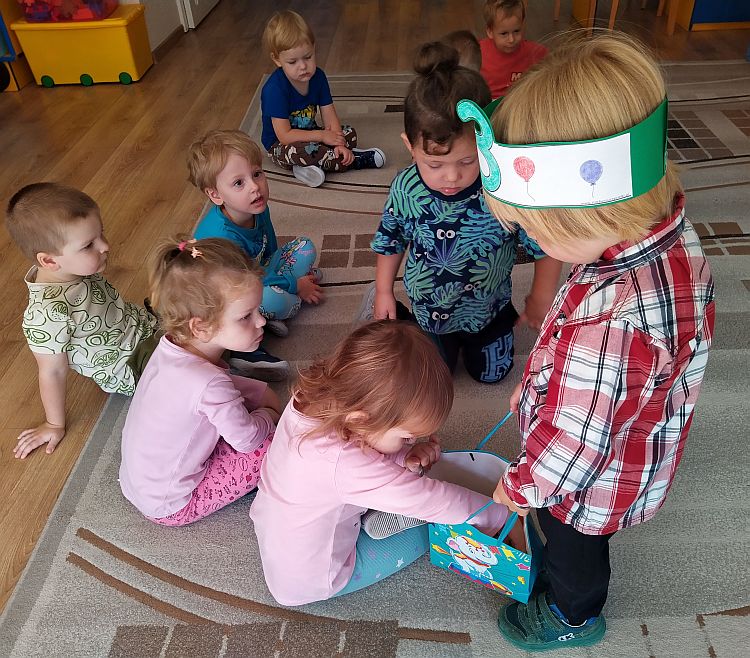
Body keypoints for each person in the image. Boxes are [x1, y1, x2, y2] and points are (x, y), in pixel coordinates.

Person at [470, 34, 716, 651]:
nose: (532, 243)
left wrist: (518, 487)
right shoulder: (662, 234)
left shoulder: (611, 328)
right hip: (624, 425)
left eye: (536, 232)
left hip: (588, 486)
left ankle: (573, 616)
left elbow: (575, 448)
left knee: (572, 549)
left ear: (592, 216)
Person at [250, 320, 519, 606]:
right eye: (405, 437)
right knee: (433, 530)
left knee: (397, 484)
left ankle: (384, 503)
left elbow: (359, 448)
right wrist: (497, 515)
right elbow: (433, 499)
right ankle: (393, 510)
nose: (410, 442)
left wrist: (403, 455)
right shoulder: (344, 464)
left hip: (277, 532)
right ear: (360, 420)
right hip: (311, 579)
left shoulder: (310, 401)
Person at [367, 42, 561, 384]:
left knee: (493, 375)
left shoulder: (504, 190)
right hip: (430, 313)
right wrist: (384, 290)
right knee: (433, 378)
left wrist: (542, 295)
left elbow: (545, 244)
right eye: (435, 164)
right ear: (409, 145)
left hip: (489, 311)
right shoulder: (405, 188)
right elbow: (391, 240)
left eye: (467, 161)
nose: (452, 176)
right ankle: (412, 329)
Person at [119, 237, 280, 526]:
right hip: (172, 506)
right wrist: (268, 416)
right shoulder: (209, 384)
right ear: (201, 327)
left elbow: (207, 389)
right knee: (275, 443)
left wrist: (259, 392)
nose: (261, 322)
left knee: (256, 399)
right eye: (246, 317)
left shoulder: (169, 346)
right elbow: (247, 441)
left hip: (138, 486)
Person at [5, 183, 158, 460]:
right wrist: (54, 424)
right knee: (202, 366)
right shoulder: (46, 315)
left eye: (101, 234)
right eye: (89, 245)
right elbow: (52, 372)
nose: (105, 246)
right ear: (49, 261)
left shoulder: (74, 268)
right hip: (133, 366)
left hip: (146, 327)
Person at [189, 129, 323, 353]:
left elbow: (270, 248)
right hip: (230, 295)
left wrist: (282, 271)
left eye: (257, 174)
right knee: (273, 301)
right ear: (215, 195)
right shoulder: (223, 237)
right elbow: (251, 278)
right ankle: (271, 311)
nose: (254, 187)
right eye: (239, 183)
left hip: (258, 273)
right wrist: (295, 285)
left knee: (306, 246)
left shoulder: (257, 206)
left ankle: (280, 301)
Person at [260, 9, 386, 188]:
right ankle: (354, 160)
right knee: (305, 151)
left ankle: (328, 158)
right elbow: (285, 136)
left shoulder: (318, 77)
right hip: (281, 145)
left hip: (311, 134)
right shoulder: (275, 90)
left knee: (348, 133)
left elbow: (329, 114)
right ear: (277, 60)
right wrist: (322, 136)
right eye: (293, 62)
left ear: (314, 48)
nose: (303, 66)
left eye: (308, 57)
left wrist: (339, 143)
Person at [479, 0, 547, 98]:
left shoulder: (536, 52)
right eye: (504, 34)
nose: (511, 39)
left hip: (522, 100)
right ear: (490, 32)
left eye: (516, 31)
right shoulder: (478, 53)